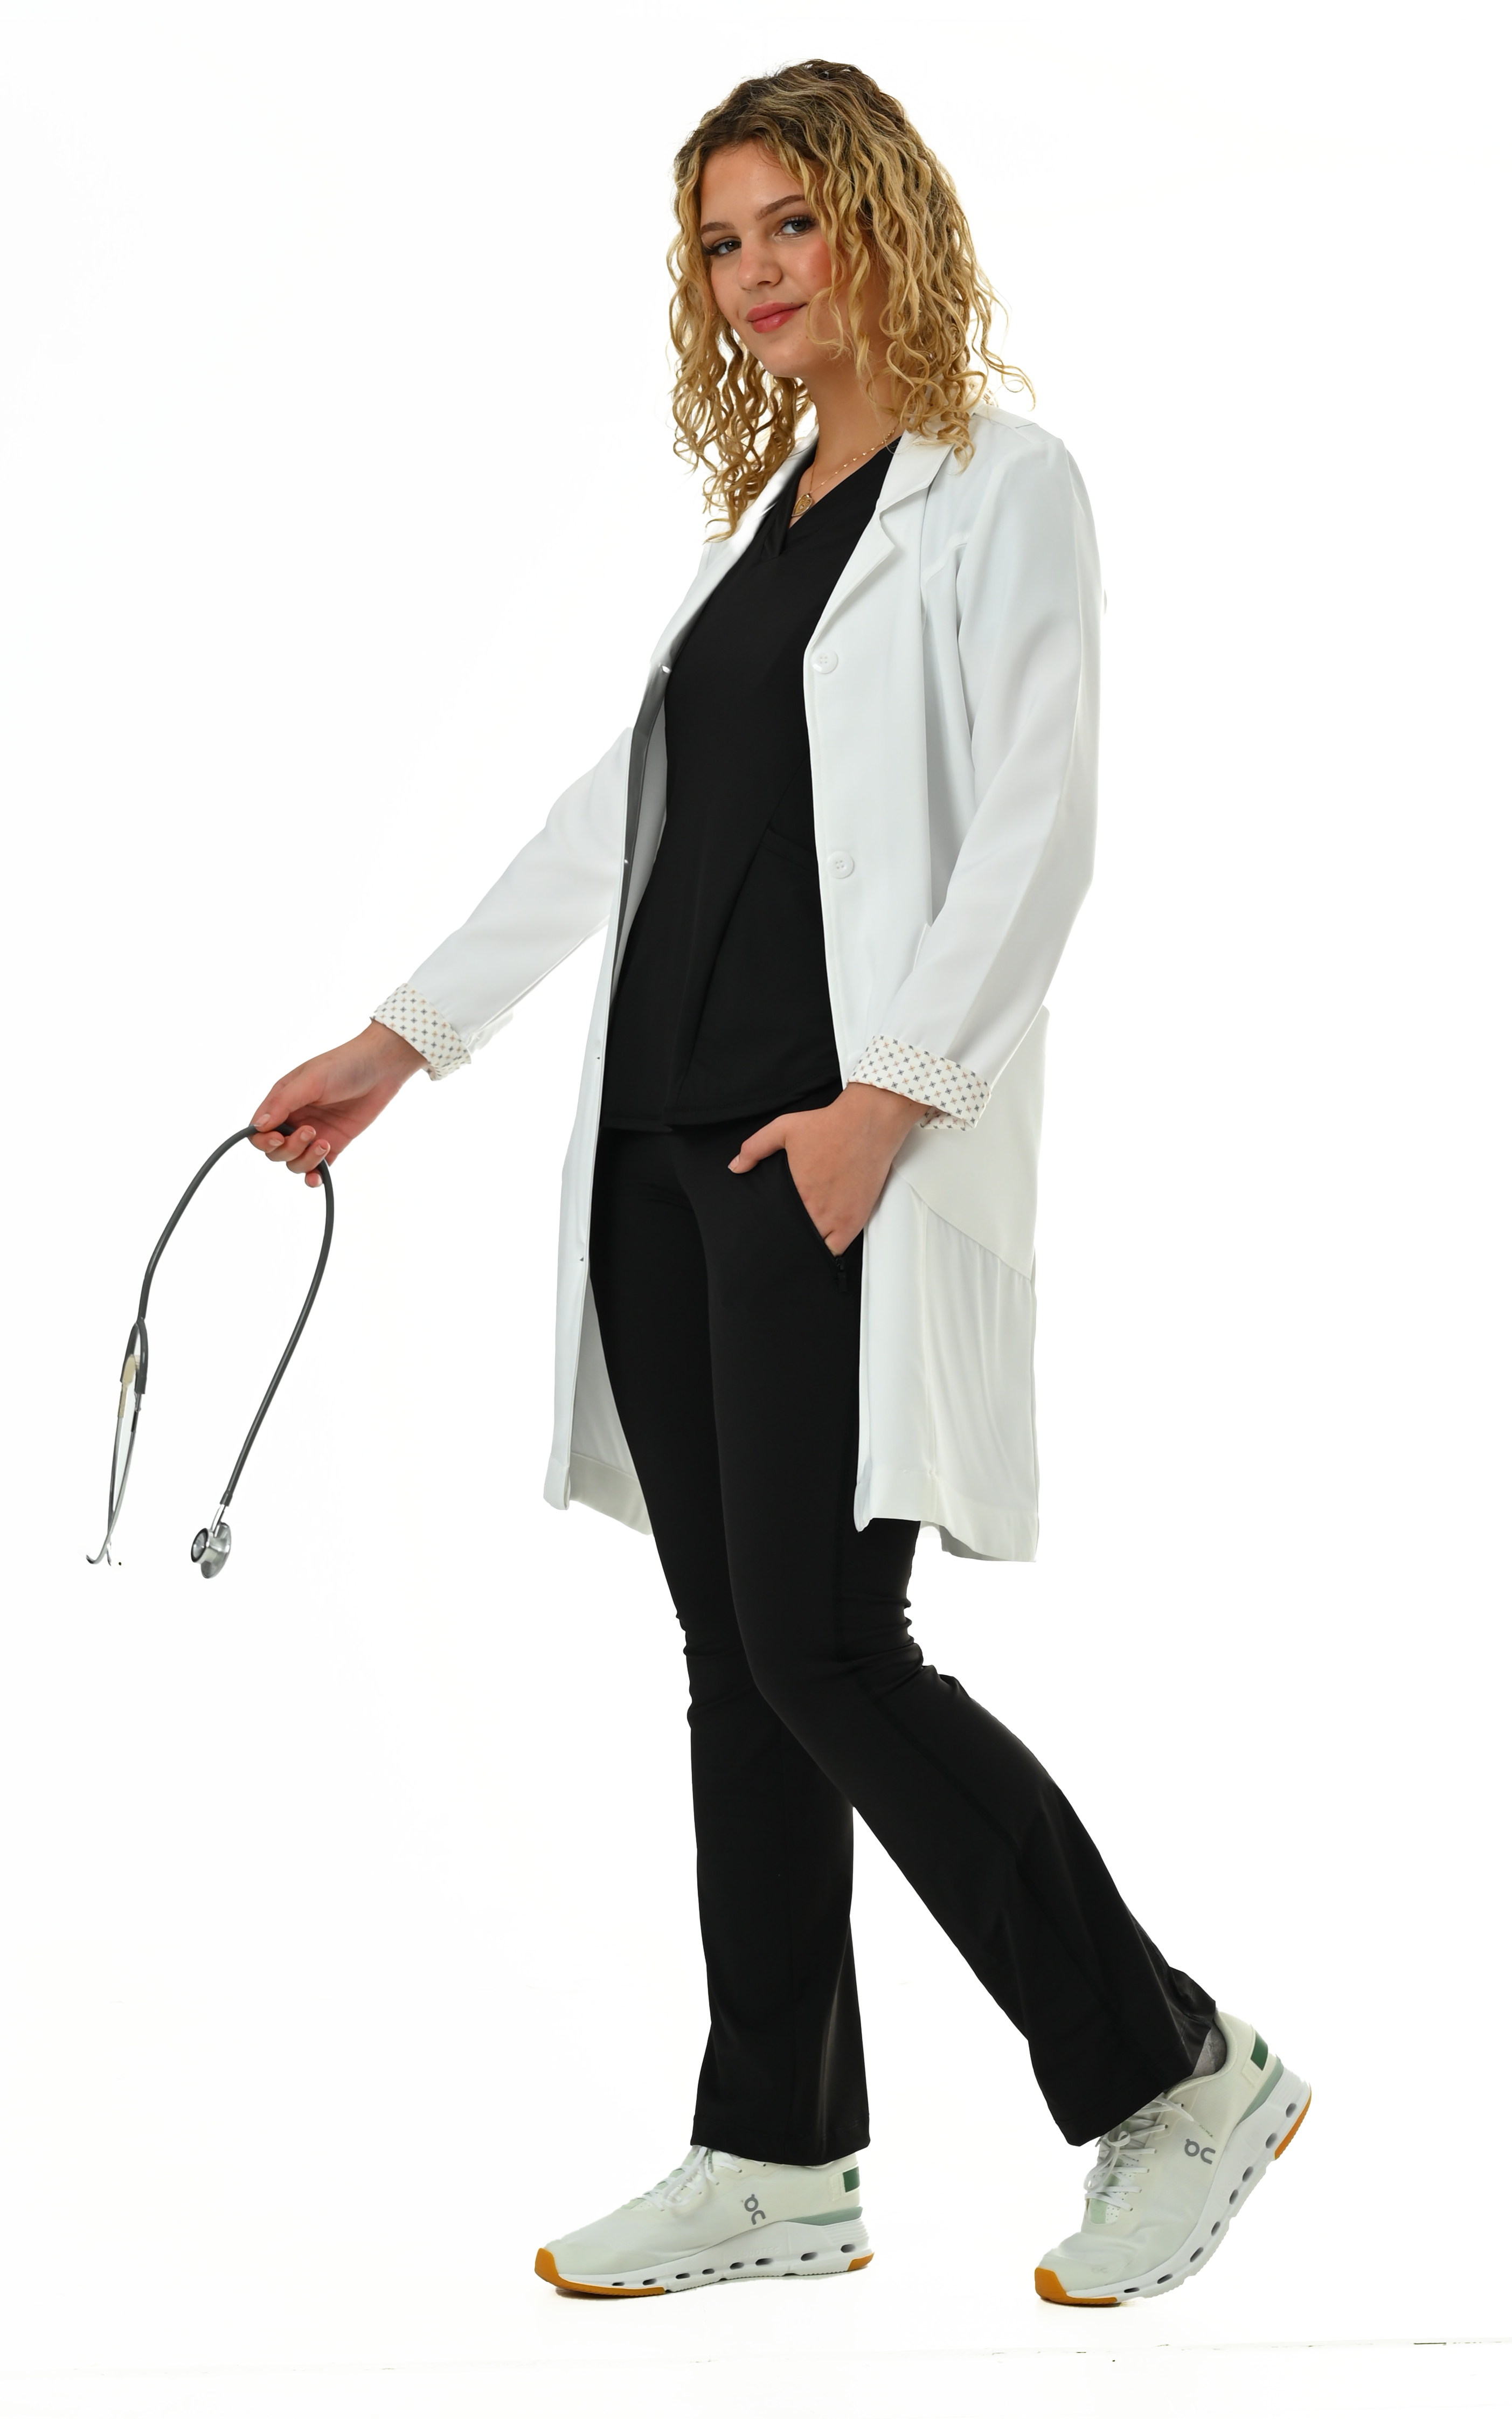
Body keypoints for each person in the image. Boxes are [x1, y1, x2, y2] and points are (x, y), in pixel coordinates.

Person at [249, 61, 1309, 2307]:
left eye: (789, 225)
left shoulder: (1001, 485)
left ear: (882, 223)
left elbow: (1036, 822)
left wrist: (882, 1105)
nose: (752, 274)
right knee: (741, 1664)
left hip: (820, 1154)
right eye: (720, 243)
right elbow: (613, 828)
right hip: (661, 1151)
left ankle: (1172, 2069)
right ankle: (775, 2153)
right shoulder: (767, 525)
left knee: (829, 1649)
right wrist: (401, 1039)